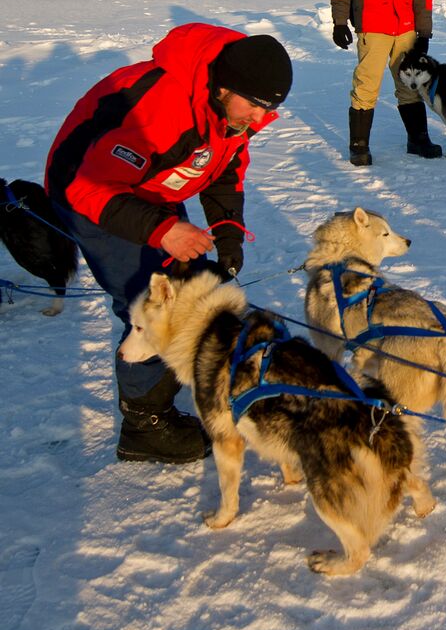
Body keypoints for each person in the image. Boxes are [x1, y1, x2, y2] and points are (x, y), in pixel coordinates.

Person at [45, 25, 293, 463]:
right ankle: (144, 425)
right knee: (150, 300)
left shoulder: (234, 111)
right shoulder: (160, 106)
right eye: (254, 107)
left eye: (267, 110)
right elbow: (86, 186)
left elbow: (224, 170)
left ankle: (181, 384)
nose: (260, 119)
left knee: (185, 287)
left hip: (151, 190)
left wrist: (229, 233)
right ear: (223, 88)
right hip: (91, 193)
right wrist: (164, 231)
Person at [330, 0, 440, 166]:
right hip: (373, 27)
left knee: (410, 84)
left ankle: (418, 139)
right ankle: (359, 147)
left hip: (405, 29)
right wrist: (340, 21)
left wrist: (424, 31)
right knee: (367, 85)